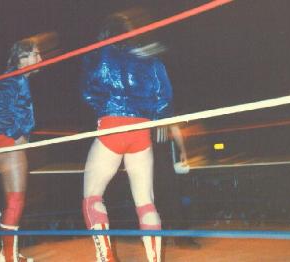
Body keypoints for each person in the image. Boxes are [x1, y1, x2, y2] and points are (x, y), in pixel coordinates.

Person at [80, 8, 172, 262]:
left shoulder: (100, 56)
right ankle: (154, 259)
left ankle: (106, 258)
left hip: (112, 124)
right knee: (145, 201)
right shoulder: (150, 59)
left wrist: (104, 107)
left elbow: (88, 91)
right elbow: (164, 98)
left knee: (92, 197)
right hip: (141, 130)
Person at [0, 37, 42, 262]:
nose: (41, 58)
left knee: (13, 201)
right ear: (22, 59)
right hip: (8, 143)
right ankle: (9, 257)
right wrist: (18, 135)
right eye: (36, 54)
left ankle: (7, 254)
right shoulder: (13, 80)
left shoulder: (18, 80)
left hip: (5, 144)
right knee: (17, 201)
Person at [153, 124, 201, 249]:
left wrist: (183, 150)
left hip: (160, 151)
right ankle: (154, 236)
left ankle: (181, 237)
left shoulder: (163, 106)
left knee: (171, 193)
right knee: (151, 196)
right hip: (141, 151)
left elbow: (174, 127)